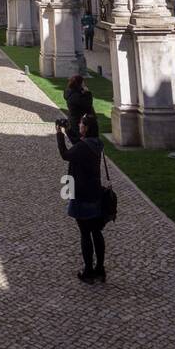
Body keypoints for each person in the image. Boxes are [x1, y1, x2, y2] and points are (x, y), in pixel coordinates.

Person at [57, 111, 107, 283]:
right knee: (96, 232)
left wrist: (58, 134)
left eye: (81, 124)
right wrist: (69, 130)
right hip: (95, 192)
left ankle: (88, 271)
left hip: (81, 194)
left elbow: (65, 154)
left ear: (86, 128)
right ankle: (100, 268)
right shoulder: (96, 144)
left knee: (85, 234)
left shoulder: (83, 147)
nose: (79, 126)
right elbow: (80, 143)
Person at [64, 72, 94, 142]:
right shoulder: (76, 96)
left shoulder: (71, 93)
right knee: (81, 141)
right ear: (79, 84)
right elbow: (88, 105)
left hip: (73, 119)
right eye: (83, 83)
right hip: (78, 121)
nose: (84, 85)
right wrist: (87, 93)